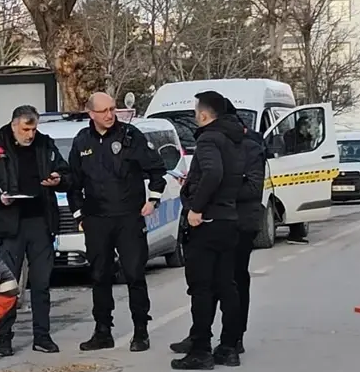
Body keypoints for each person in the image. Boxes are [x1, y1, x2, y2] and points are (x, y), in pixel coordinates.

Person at [67, 92, 169, 352]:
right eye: (104, 111)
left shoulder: (130, 136)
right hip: (97, 219)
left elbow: (157, 170)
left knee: (134, 274)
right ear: (91, 113)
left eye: (112, 109)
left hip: (128, 217)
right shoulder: (82, 141)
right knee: (100, 276)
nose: (110, 115)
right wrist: (79, 215)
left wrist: (153, 199)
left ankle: (140, 331)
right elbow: (73, 183)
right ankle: (102, 331)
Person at [0, 105, 70, 356]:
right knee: (8, 284)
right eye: (26, 129)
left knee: (41, 282)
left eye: (33, 128)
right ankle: (4, 338)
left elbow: (66, 172)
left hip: (40, 221)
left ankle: (43, 336)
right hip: (10, 224)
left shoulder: (45, 144)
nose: (30, 134)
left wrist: (58, 178)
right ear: (14, 125)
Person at [171, 108, 265, 357]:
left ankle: (232, 339)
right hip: (216, 218)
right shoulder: (219, 142)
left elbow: (253, 187)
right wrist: (195, 185)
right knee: (207, 282)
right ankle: (200, 335)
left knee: (231, 281)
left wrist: (217, 190)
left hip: (239, 221)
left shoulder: (250, 146)